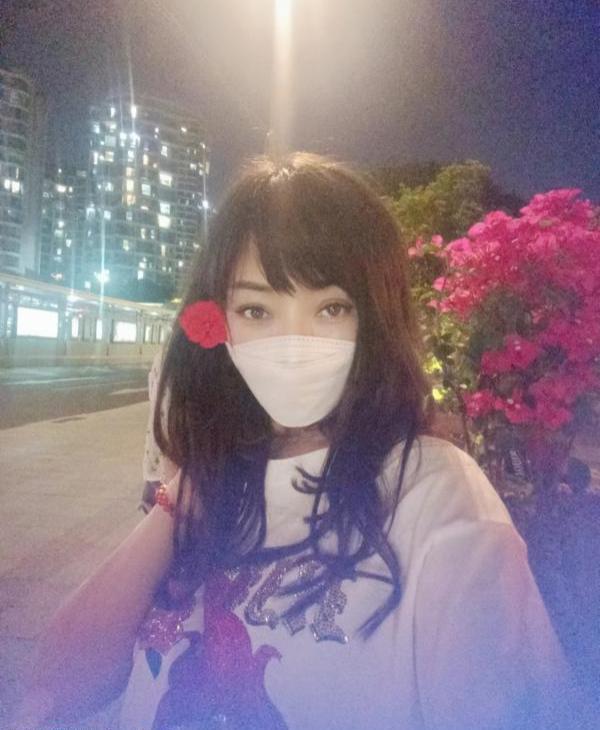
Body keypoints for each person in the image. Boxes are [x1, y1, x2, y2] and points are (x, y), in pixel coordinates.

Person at [16, 153, 576, 730]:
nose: (292, 344)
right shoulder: (209, 483)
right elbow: (57, 685)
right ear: (220, 326)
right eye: (256, 310)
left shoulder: (436, 495)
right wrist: (183, 492)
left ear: (374, 319)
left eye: (330, 308)